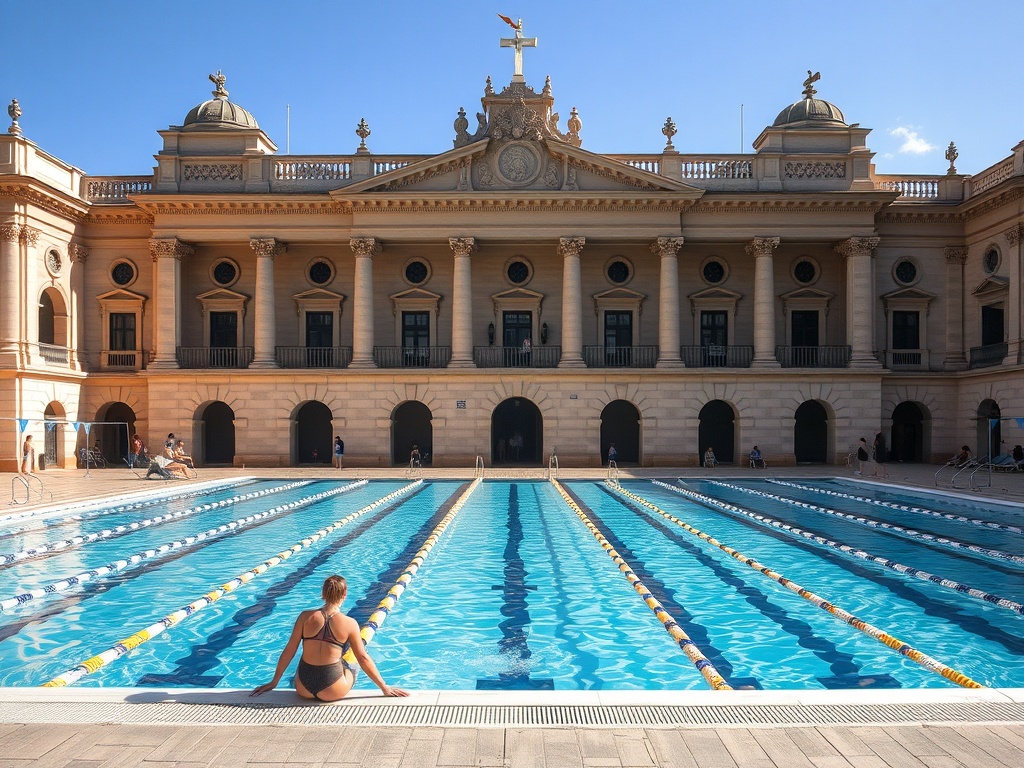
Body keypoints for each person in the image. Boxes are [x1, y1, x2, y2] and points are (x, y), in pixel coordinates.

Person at [251, 575, 408, 702]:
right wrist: (384, 687)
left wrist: (274, 682)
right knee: (352, 661)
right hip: (332, 689)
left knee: (304, 658)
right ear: (344, 594)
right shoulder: (349, 623)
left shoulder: (305, 617)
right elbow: (363, 658)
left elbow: (289, 651)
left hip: (303, 688)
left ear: (323, 594)